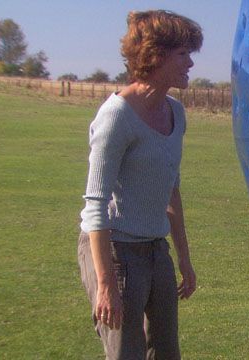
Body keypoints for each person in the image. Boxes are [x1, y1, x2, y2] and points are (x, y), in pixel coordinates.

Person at [77, 10, 202, 359]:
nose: (191, 63)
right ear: (155, 56)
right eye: (183, 54)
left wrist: (184, 259)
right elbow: (96, 203)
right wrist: (105, 284)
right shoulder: (116, 115)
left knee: (166, 351)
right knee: (125, 352)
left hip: (154, 248)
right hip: (114, 250)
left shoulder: (177, 113)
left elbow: (171, 191)